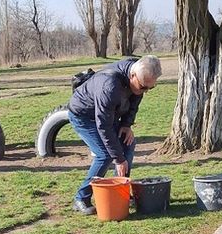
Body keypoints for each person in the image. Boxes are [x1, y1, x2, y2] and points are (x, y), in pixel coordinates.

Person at [67, 55, 162, 215]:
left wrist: (126, 124)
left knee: (128, 143)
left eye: (150, 88)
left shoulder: (137, 74)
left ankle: (120, 191)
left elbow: (135, 99)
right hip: (84, 115)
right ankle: (81, 198)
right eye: (143, 87)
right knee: (104, 155)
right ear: (132, 76)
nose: (145, 92)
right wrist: (119, 159)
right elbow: (103, 125)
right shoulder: (109, 86)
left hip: (106, 114)